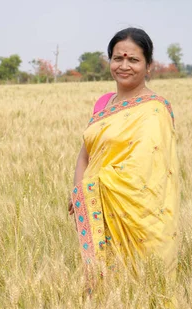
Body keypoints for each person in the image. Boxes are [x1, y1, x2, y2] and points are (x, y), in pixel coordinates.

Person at [68, 27, 180, 286]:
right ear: (110, 61)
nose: (124, 66)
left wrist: (93, 188)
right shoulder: (103, 104)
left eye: (133, 59)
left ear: (148, 65)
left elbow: (145, 168)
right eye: (118, 58)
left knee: (145, 287)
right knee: (103, 290)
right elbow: (86, 154)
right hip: (99, 211)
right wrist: (81, 192)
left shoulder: (155, 109)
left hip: (141, 217)